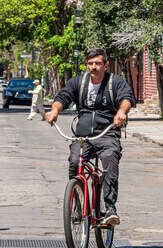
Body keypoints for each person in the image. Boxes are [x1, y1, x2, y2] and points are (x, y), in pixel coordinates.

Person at [45, 48, 135, 225]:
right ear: (87, 64)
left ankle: (110, 208)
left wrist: (121, 112)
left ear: (106, 65)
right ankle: (77, 204)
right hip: (83, 135)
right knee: (74, 162)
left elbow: (126, 98)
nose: (94, 67)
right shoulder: (79, 81)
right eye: (90, 63)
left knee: (109, 159)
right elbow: (63, 96)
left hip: (107, 132)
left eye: (98, 63)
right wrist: (54, 110)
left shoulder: (115, 82)